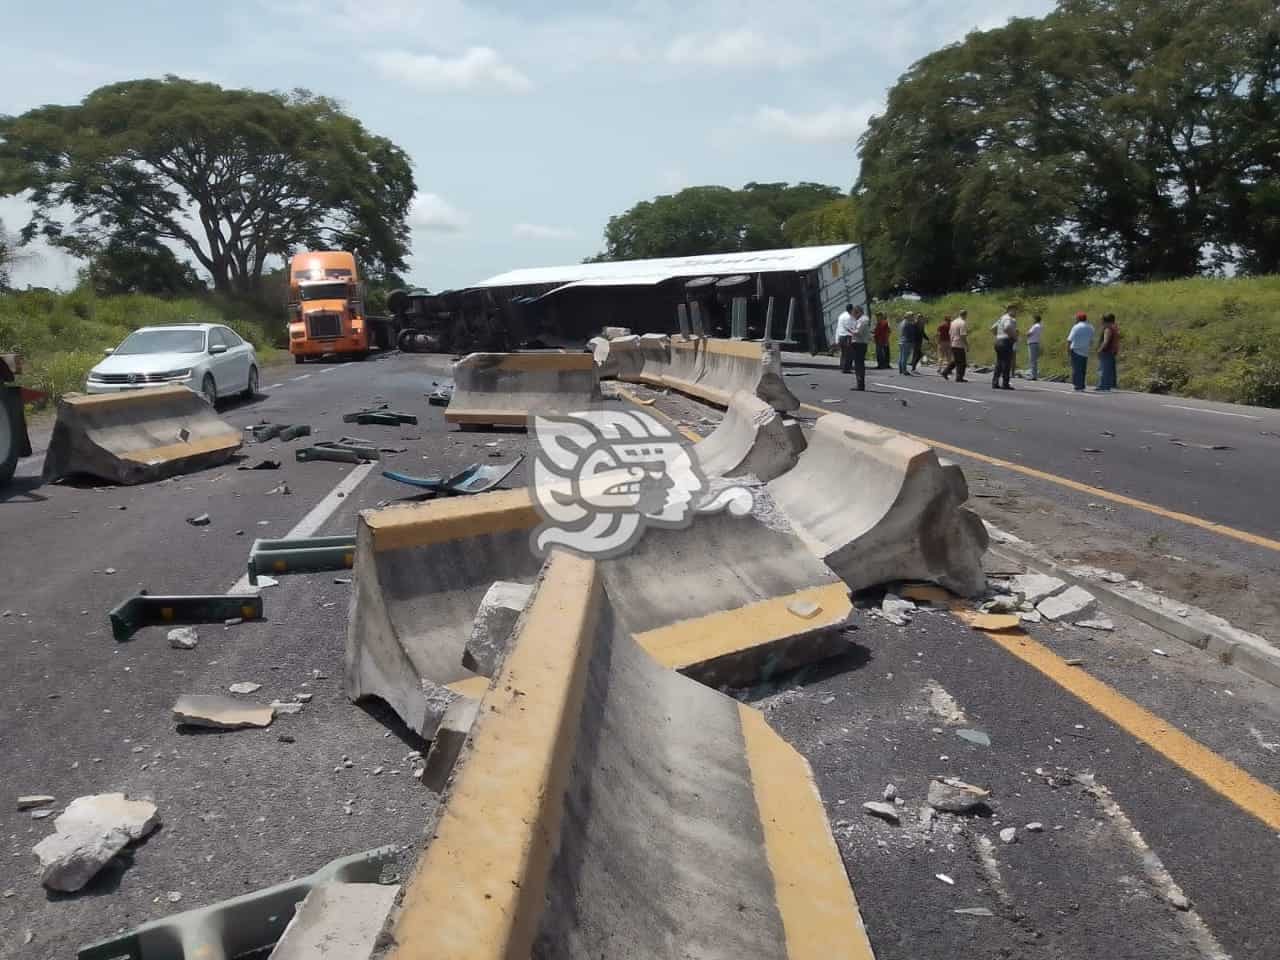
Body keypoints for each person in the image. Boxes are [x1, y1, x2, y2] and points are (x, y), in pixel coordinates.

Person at [991, 303, 1019, 390]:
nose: (1016, 312)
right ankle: (1005, 383)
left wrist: (998, 335)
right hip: (1006, 342)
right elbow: (1007, 328)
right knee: (1006, 363)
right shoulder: (1008, 318)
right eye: (1015, 310)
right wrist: (1014, 337)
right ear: (1010, 309)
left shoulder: (1001, 318)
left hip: (998, 341)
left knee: (999, 363)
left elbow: (992, 328)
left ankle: (995, 382)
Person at [1067, 312, 1094, 391]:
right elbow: (1091, 340)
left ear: (1078, 318)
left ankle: (1078, 385)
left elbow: (1069, 339)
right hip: (1085, 350)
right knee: (1082, 369)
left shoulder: (1076, 327)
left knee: (1076, 368)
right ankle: (1082, 385)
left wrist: (1068, 349)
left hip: (1076, 349)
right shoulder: (1091, 327)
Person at [850, 305, 872, 390]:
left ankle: (860, 384)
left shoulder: (862, 320)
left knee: (859, 365)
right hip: (860, 343)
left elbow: (858, 332)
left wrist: (851, 330)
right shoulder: (863, 319)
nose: (854, 316)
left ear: (858, 312)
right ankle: (860, 384)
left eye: (854, 314)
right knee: (859, 364)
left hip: (859, 344)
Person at [942, 309, 969, 381]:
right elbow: (963, 335)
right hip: (959, 344)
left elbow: (950, 333)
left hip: (953, 343)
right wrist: (967, 345)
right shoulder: (962, 323)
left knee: (956, 360)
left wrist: (951, 342)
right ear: (965, 315)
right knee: (962, 362)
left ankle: (945, 372)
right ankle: (959, 377)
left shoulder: (953, 322)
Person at [1097, 312, 1120, 391]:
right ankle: (1110, 385)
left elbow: (1106, 341)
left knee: (1103, 369)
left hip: (1106, 351)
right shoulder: (1114, 328)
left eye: (1102, 320)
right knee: (1109, 369)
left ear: (1105, 320)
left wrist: (1100, 349)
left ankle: (1103, 385)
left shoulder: (1108, 329)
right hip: (1112, 351)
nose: (1101, 321)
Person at [835, 303, 857, 375]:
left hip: (841, 336)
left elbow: (838, 327)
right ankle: (847, 368)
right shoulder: (849, 317)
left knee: (844, 353)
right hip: (847, 337)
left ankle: (842, 367)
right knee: (849, 353)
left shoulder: (841, 316)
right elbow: (849, 328)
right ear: (851, 309)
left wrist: (837, 338)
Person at [1026, 314, 1043, 381]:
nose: (1032, 320)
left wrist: (1025, 334)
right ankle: (1034, 375)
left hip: (1032, 343)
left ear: (1035, 319)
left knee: (1032, 360)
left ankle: (1033, 375)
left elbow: (1029, 334)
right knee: (1034, 360)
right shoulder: (1039, 326)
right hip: (1036, 343)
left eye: (1033, 319)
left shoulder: (1035, 326)